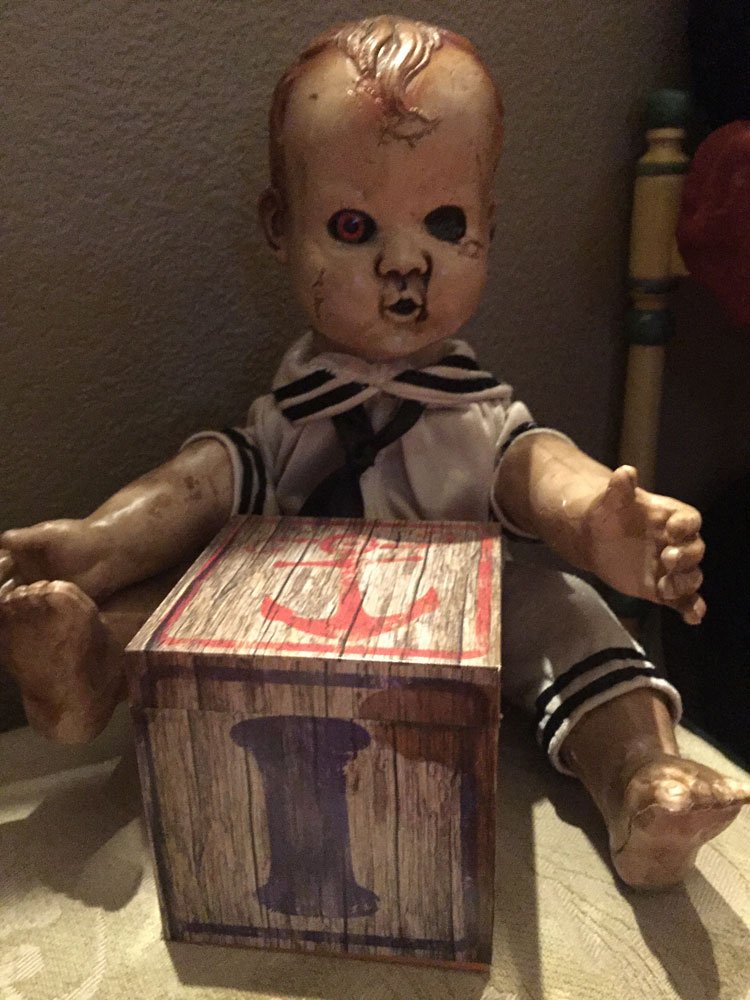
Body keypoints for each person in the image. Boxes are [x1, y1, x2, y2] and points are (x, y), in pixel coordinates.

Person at [1, 15, 748, 890]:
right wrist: (96, 543)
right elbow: (194, 485)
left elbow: (538, 468)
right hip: (292, 607)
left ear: (490, 224)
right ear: (280, 226)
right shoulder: (287, 420)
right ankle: (91, 670)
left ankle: (641, 777)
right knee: (180, 597)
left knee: (570, 613)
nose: (405, 262)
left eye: (444, 223)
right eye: (355, 226)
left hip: (470, 614)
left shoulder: (476, 416)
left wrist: (597, 520)